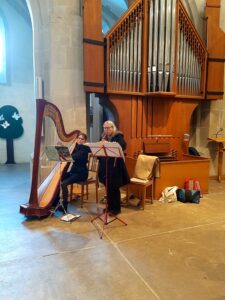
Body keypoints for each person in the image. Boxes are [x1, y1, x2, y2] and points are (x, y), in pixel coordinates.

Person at [98, 120, 130, 215]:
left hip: (115, 166)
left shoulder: (118, 136)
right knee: (108, 187)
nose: (106, 130)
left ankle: (116, 209)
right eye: (105, 128)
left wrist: (107, 144)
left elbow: (123, 146)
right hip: (105, 166)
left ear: (113, 128)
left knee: (114, 188)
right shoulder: (103, 136)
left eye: (108, 128)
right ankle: (109, 206)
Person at [60, 133, 91, 212]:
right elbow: (70, 155)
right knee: (60, 177)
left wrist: (63, 150)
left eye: (82, 139)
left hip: (81, 173)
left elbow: (73, 157)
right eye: (79, 138)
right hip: (74, 171)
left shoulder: (85, 149)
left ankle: (65, 206)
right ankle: (55, 202)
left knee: (64, 183)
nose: (80, 140)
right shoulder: (75, 147)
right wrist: (62, 148)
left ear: (85, 141)